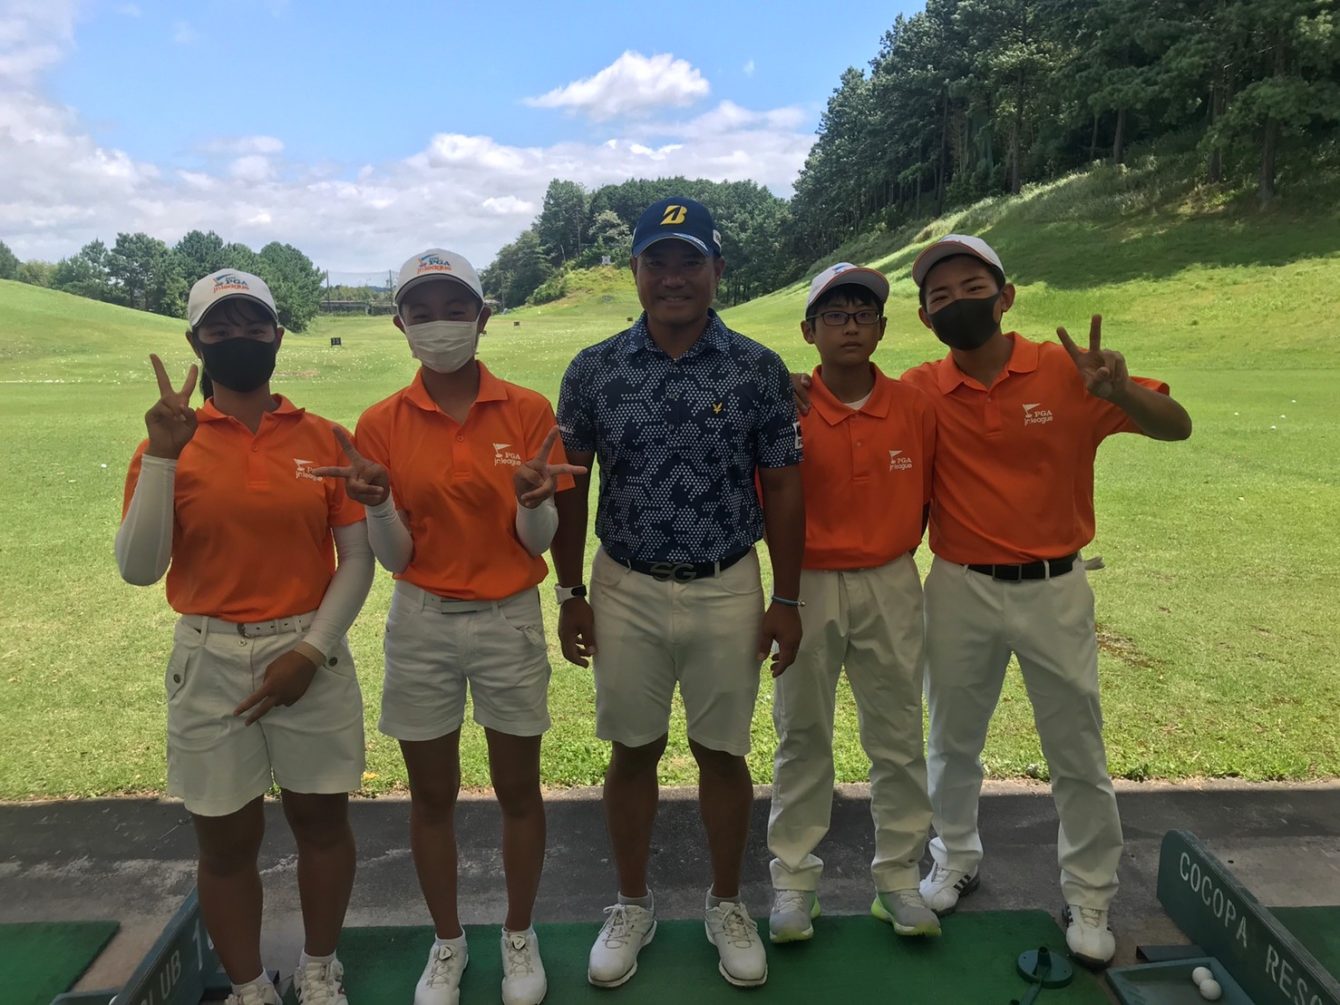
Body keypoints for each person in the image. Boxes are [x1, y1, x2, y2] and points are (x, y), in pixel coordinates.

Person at [900, 234, 1193, 967]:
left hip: (1055, 585)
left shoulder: (1069, 371)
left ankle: (1090, 891)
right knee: (951, 738)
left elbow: (1178, 424)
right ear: (925, 317)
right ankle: (954, 856)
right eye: (940, 296)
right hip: (960, 584)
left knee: (1076, 748)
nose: (957, 302)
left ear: (1005, 297)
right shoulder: (920, 389)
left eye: (972, 288)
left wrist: (1119, 393)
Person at [314, 249, 582, 1005]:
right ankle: (448, 942)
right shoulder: (382, 423)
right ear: (400, 323)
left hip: (508, 617)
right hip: (423, 619)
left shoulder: (527, 411)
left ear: (483, 317)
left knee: (518, 789)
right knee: (431, 796)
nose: (440, 324)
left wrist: (532, 500)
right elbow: (397, 557)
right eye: (422, 311)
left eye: (455, 308)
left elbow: (535, 542)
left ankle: (519, 935)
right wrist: (376, 505)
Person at [553, 197, 805, 990]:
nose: (672, 277)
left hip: (727, 582)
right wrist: (569, 590)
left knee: (722, 751)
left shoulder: (757, 368)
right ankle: (632, 903)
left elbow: (784, 485)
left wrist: (787, 599)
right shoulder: (594, 369)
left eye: (688, 261)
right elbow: (569, 485)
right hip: (624, 583)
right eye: (655, 262)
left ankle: (727, 903)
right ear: (634, 271)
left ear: (717, 270)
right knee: (633, 749)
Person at [116, 269, 374, 1005]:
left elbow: (356, 558)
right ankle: (249, 987)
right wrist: (163, 455)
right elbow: (140, 568)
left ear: (277, 336)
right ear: (195, 340)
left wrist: (310, 651)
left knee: (322, 821)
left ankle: (319, 969)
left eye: (253, 326)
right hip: (209, 655)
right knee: (225, 841)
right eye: (220, 328)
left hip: (309, 647)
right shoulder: (169, 443)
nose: (239, 339)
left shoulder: (322, 437)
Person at [766, 263, 942, 945]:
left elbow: (930, 492)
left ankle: (898, 879)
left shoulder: (914, 406)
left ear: (881, 328)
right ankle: (793, 880)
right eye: (834, 316)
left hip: (891, 578)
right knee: (802, 733)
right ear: (808, 330)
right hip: (806, 582)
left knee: (897, 733)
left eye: (862, 315)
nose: (850, 327)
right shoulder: (788, 406)